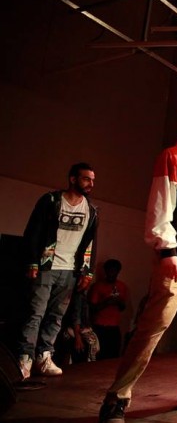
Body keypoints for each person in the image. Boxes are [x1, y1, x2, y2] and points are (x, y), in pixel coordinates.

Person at [98, 101, 177, 423]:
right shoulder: (171, 157)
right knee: (154, 326)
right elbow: (160, 208)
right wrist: (167, 252)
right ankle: (117, 396)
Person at [17, 162, 98, 379]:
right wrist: (32, 262)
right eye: (86, 179)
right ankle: (25, 358)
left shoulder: (91, 210)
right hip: (46, 265)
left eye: (92, 180)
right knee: (35, 313)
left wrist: (88, 271)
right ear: (73, 179)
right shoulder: (51, 200)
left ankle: (44, 356)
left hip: (70, 270)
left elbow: (91, 243)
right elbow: (33, 231)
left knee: (56, 316)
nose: (90, 184)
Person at [89, 258, 128, 360]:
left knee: (114, 356)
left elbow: (123, 308)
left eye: (114, 271)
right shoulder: (98, 286)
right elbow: (92, 308)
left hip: (114, 327)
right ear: (105, 271)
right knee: (99, 356)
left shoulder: (122, 286)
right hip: (100, 326)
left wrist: (118, 301)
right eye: (109, 271)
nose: (111, 274)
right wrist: (107, 302)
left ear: (118, 272)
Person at [56, 281, 100, 366]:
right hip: (75, 332)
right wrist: (78, 337)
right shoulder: (78, 296)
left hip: (77, 331)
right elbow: (76, 317)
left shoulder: (81, 294)